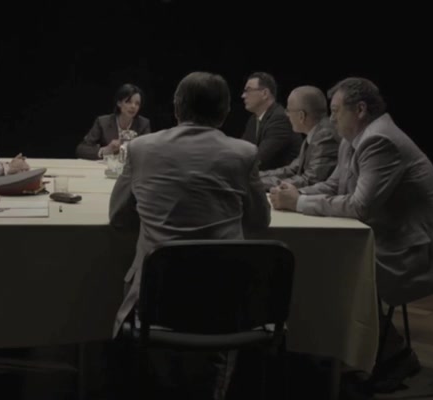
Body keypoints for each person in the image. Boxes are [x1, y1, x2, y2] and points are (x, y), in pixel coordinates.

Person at [269, 77, 433, 392]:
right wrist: (293, 193)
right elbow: (335, 185)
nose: (330, 119)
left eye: (336, 111)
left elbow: (359, 207)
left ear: (360, 109)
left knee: (332, 269)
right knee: (320, 261)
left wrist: (298, 202)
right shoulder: (352, 138)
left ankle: (393, 356)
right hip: (392, 236)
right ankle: (330, 351)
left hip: (418, 250)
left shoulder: (380, 140)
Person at [109, 71, 271, 399]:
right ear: (225, 112)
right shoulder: (244, 153)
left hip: (155, 299)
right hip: (224, 300)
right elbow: (259, 222)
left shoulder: (140, 148)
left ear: (176, 108)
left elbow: (118, 218)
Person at [259, 85, 340, 190]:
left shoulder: (325, 135)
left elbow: (310, 180)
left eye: (288, 110)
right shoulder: (314, 133)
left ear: (301, 116)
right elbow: (291, 170)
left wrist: (256, 183)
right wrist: (256, 176)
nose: (286, 115)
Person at [240, 72, 303, 170]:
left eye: (248, 90)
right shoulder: (253, 120)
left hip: (282, 177)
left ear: (265, 93)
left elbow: (260, 159)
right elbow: (242, 150)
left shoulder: (280, 119)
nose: (243, 96)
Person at [76, 83, 151, 160]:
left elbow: (148, 151)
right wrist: (106, 150)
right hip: (107, 166)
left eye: (137, 103)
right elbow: (81, 149)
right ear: (119, 103)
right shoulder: (103, 122)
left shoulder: (143, 124)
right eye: (128, 102)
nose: (133, 106)